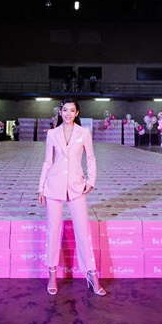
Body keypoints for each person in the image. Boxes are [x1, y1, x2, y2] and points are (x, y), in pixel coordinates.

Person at [37, 98, 106, 297]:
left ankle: (91, 274)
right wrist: (41, 188)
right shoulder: (52, 134)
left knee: (83, 230)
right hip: (53, 185)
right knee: (53, 229)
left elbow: (91, 158)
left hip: (76, 186)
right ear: (60, 112)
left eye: (72, 110)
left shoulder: (84, 133)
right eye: (65, 110)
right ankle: (52, 274)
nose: (68, 114)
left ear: (77, 113)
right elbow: (47, 162)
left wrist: (91, 180)